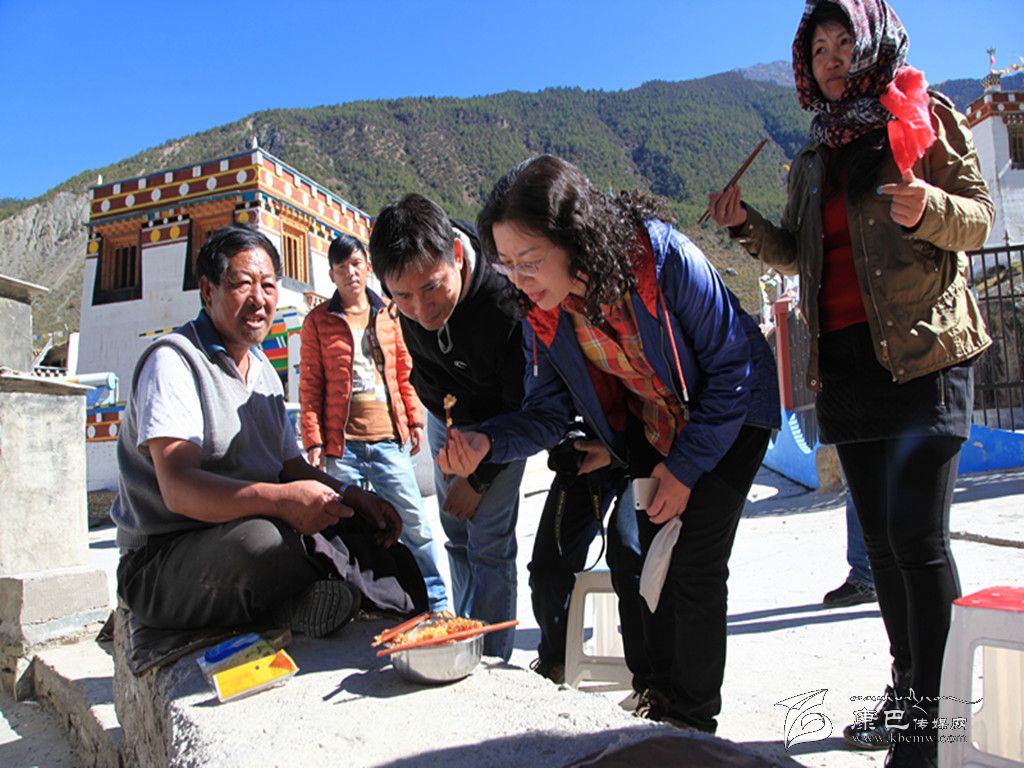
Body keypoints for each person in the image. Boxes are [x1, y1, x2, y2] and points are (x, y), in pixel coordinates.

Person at [708, 1, 993, 764]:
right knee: (883, 547)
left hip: (923, 357)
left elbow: (978, 219)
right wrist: (744, 226)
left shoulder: (923, 113)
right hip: (846, 367)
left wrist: (929, 207)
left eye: (844, 43)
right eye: (820, 49)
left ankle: (931, 729)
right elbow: (799, 255)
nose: (832, 59)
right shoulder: (817, 154)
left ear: (871, 45)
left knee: (917, 542)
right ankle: (908, 696)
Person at [440, 154, 781, 734]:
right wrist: (486, 440)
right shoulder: (543, 313)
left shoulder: (663, 259)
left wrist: (686, 468)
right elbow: (548, 414)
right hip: (654, 423)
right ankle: (657, 697)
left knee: (694, 563)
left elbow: (732, 369)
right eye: (506, 265)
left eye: (530, 261)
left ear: (574, 239)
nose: (518, 280)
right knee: (643, 560)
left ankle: (693, 724)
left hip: (732, 413)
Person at [112, 225, 424, 642]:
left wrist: (351, 496)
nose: (259, 299)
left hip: (247, 531)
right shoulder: (175, 362)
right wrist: (281, 502)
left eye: (269, 285)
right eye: (242, 284)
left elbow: (290, 466)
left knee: (368, 537)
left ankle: (307, 601)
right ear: (207, 291)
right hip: (164, 558)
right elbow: (178, 488)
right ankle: (289, 604)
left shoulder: (262, 372)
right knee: (263, 541)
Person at [367, 194, 526, 661]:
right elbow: (425, 372)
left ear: (456, 254)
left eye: (432, 288)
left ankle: (491, 659)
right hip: (447, 417)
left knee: (489, 544)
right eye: (402, 297)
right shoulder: (410, 300)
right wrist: (451, 438)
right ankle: (465, 637)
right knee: (455, 531)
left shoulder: (505, 300)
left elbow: (522, 410)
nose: (421, 309)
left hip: (504, 425)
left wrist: (477, 478)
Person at [299, 234, 449, 612]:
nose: (350, 273)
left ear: (367, 267)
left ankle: (436, 606)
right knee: (347, 529)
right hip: (342, 446)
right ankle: (367, 606)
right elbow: (311, 384)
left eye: (356, 264)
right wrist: (313, 440)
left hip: (388, 441)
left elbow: (404, 371)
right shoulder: (317, 322)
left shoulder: (389, 314)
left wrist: (414, 419)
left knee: (415, 527)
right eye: (341, 267)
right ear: (331, 275)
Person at [528, 424, 646, 689]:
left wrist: (615, 449)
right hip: (587, 453)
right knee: (547, 570)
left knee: (630, 552)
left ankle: (651, 679)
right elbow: (542, 412)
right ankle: (557, 660)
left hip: (643, 451)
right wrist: (563, 441)